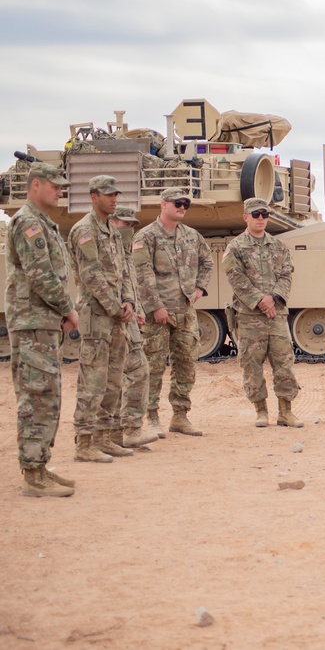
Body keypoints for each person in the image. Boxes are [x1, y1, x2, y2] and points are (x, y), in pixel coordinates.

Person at [5, 162, 78, 496]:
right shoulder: (27, 223)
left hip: (43, 321)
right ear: (35, 185)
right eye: (55, 186)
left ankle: (40, 465)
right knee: (36, 397)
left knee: (48, 395)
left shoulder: (43, 223)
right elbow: (41, 275)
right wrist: (67, 309)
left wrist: (58, 313)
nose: (60, 191)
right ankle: (33, 474)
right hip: (33, 322)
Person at [67, 176, 148, 463]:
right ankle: (85, 442)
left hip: (117, 316)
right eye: (107, 195)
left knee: (114, 380)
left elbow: (124, 271)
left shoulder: (112, 231)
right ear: (93, 197)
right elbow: (91, 277)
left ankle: (105, 437)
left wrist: (127, 302)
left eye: (115, 194)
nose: (113, 199)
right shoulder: (84, 231)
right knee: (93, 380)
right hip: (97, 316)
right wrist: (117, 307)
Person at [132, 187, 213, 436]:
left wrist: (199, 288)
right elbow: (142, 274)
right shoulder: (145, 236)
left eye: (186, 204)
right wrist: (156, 307)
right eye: (178, 203)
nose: (182, 207)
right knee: (154, 365)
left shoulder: (192, 236)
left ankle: (180, 416)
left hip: (185, 311)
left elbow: (207, 262)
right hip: (158, 313)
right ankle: (153, 417)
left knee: (186, 364)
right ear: (163, 204)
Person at [222, 198, 303, 428]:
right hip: (249, 317)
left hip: (276, 314)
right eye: (255, 214)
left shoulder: (278, 246)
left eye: (264, 214)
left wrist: (273, 298)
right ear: (245, 216)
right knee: (251, 365)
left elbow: (287, 274)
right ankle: (261, 411)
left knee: (284, 363)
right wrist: (259, 301)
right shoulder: (236, 247)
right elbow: (235, 278)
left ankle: (286, 412)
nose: (260, 218)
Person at [109, 206, 160, 444]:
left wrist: (137, 310)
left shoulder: (125, 253)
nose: (129, 229)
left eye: (132, 225)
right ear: (111, 222)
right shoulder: (106, 250)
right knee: (125, 374)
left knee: (133, 372)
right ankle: (125, 430)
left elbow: (128, 287)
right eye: (124, 224)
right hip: (111, 320)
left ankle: (125, 431)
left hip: (128, 320)